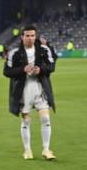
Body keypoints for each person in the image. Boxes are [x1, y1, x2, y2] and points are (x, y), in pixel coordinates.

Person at [4, 25, 56, 160]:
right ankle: (27, 150)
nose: (30, 38)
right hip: (23, 90)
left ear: (35, 36)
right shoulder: (14, 53)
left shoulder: (44, 50)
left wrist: (41, 70)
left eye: (33, 35)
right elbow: (7, 72)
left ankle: (46, 150)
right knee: (26, 121)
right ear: (22, 37)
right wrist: (23, 69)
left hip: (40, 88)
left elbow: (51, 66)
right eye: (27, 36)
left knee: (45, 118)